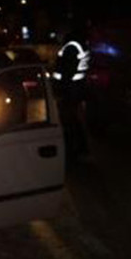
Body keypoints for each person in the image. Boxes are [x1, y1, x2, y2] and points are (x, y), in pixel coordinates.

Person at [53, 28, 91, 160]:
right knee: (74, 119)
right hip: (77, 88)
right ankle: (80, 147)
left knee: (68, 121)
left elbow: (66, 71)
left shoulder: (70, 47)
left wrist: (60, 90)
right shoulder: (80, 45)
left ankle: (72, 149)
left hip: (69, 89)